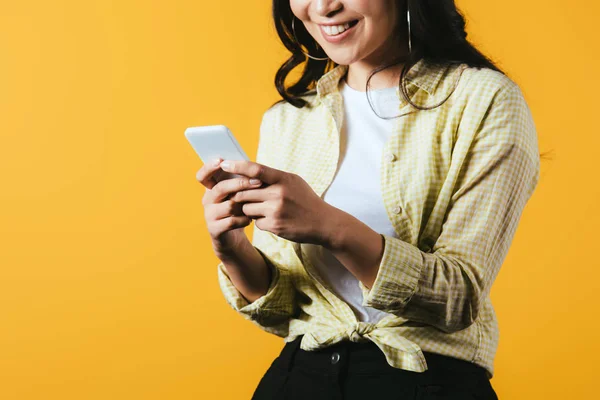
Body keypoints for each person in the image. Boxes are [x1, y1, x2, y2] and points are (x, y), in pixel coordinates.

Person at [197, 0, 541, 399]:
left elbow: (458, 298)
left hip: (425, 379)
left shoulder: (484, 100)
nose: (324, 6)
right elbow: (281, 310)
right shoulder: (288, 118)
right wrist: (231, 246)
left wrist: (329, 226)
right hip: (298, 379)